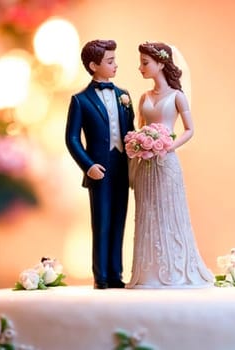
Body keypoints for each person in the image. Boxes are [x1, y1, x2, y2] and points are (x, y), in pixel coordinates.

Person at [125, 41, 214, 288]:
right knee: (147, 211)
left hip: (166, 162)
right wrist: (138, 143)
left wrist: (167, 145)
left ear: (160, 63)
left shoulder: (177, 97)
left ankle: (173, 269)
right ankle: (147, 272)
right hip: (145, 163)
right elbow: (140, 126)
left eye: (145, 63)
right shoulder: (144, 96)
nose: (140, 67)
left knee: (168, 212)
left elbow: (189, 130)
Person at [65, 39, 135, 289]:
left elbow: (130, 132)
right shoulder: (80, 100)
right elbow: (72, 139)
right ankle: (102, 276)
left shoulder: (124, 96)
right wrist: (88, 165)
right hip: (99, 171)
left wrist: (137, 156)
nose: (116, 65)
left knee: (119, 221)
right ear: (94, 65)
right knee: (102, 223)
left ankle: (117, 274)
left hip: (122, 167)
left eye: (115, 60)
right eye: (110, 61)